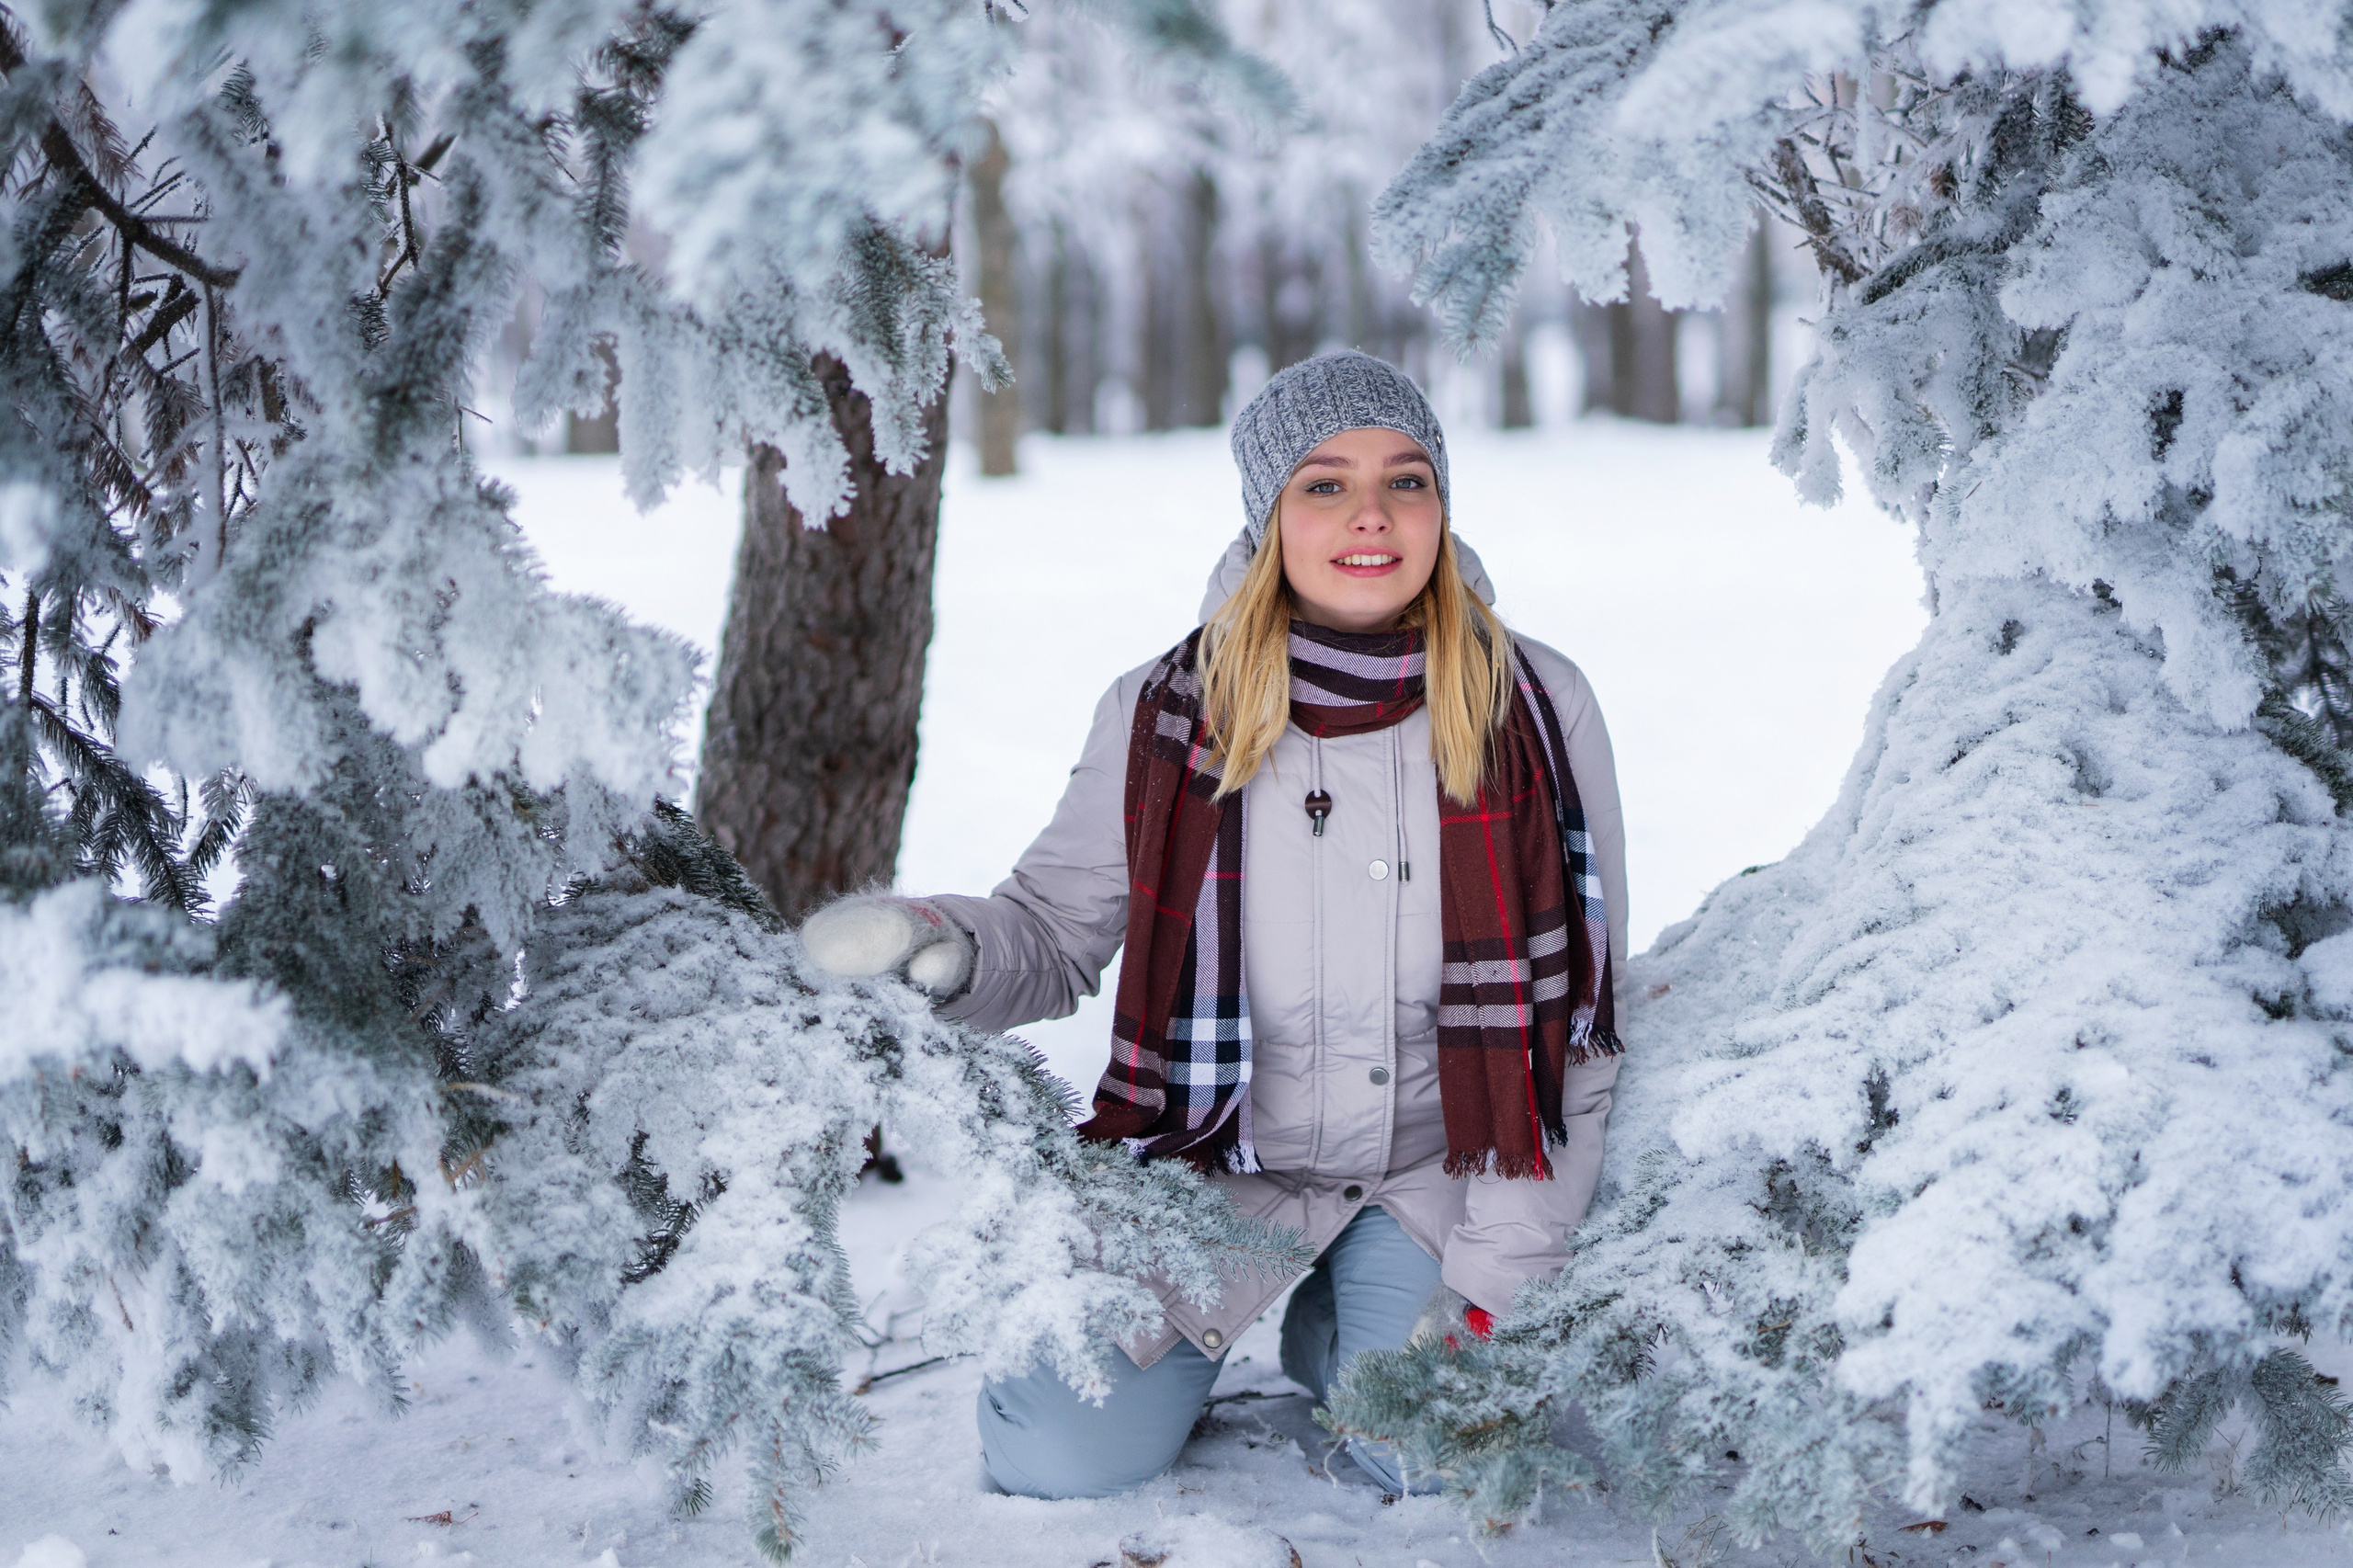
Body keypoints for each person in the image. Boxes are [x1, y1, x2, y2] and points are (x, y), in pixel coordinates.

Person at [798, 349, 1627, 1498]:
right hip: (1209, 1161)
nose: (1371, 517)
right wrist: (936, 945)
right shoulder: (1162, 710)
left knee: (1437, 1453)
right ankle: (1272, 1299)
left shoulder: (1537, 703)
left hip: (1446, 1160)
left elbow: (1575, 1024)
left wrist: (1496, 1283)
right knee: (1059, 1451)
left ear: (1442, 504)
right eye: (1323, 484)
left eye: (1407, 479)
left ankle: (1340, 1318)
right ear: (1266, 513)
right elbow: (1048, 930)